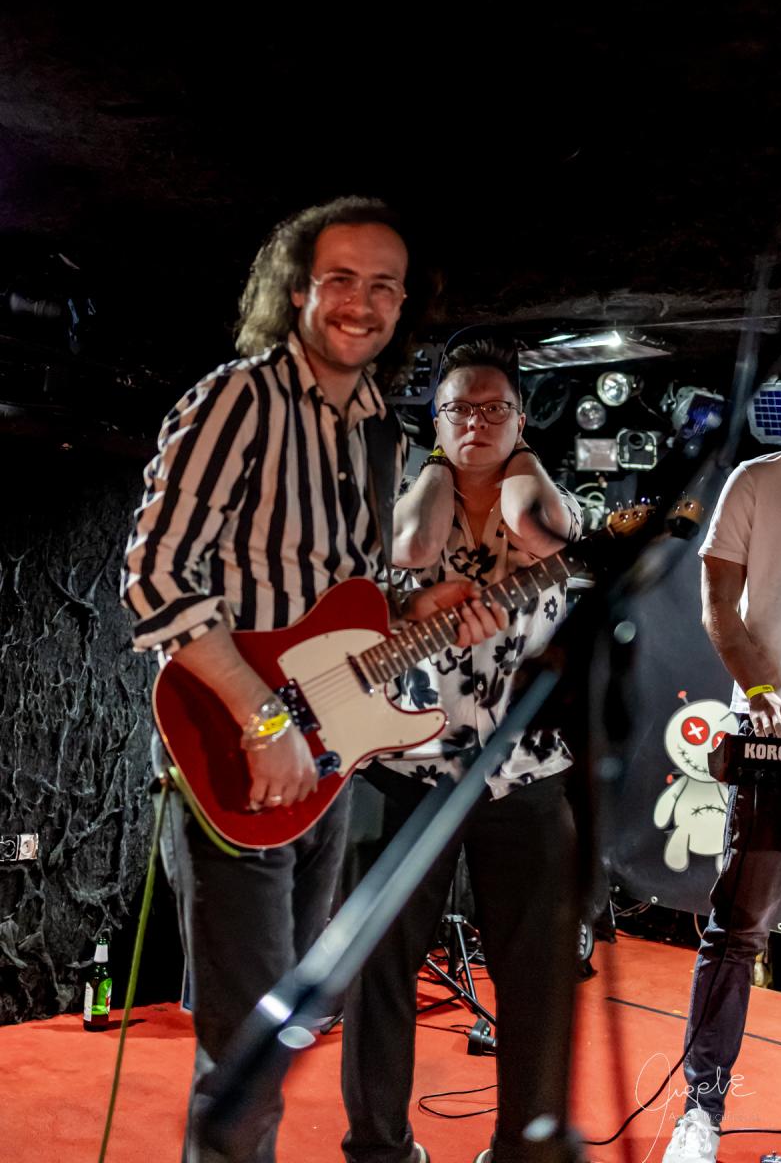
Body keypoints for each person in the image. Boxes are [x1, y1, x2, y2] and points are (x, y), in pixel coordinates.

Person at [121, 197, 507, 1163]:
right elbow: (155, 577)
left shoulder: (377, 427)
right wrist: (264, 722)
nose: (360, 303)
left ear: (403, 304)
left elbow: (345, 597)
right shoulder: (238, 401)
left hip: (328, 751)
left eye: (383, 286)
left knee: (286, 1029)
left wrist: (420, 609)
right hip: (244, 746)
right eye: (340, 278)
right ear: (296, 289)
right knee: (245, 1056)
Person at [341, 339, 583, 1163]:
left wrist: (510, 455)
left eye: (494, 408)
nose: (475, 421)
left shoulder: (550, 498)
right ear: (434, 421)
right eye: (458, 409)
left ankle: (521, 1149)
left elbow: (534, 529)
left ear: (521, 418)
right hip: (410, 769)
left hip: (525, 773)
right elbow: (412, 549)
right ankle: (378, 1149)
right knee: (380, 968)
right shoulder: (401, 504)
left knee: (537, 975)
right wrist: (442, 466)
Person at [662, 447, 781, 1163]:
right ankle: (701, 1113)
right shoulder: (757, 481)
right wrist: (759, 690)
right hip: (775, 733)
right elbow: (718, 604)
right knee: (739, 928)